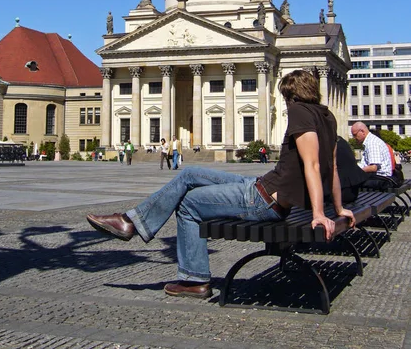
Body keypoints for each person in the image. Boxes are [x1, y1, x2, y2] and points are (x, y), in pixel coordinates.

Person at [87, 70, 355, 300]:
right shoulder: (327, 117)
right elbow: (332, 169)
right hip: (261, 186)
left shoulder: (299, 111)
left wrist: (320, 214)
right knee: (189, 174)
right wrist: (340, 208)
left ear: (293, 96)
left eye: (285, 98)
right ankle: (131, 221)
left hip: (264, 200)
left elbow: (314, 166)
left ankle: (194, 280)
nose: (284, 105)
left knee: (189, 204)